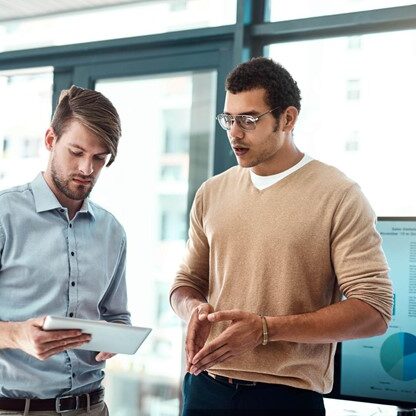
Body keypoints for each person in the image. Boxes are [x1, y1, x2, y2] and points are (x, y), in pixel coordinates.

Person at [169, 57, 393, 416]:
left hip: (286, 400)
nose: (234, 133)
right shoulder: (211, 193)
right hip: (204, 391)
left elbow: (374, 310)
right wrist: (193, 309)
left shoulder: (338, 195)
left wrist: (265, 330)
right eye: (229, 119)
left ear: (287, 119)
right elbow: (185, 283)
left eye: (248, 120)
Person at [0, 85, 130, 415]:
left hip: (92, 406)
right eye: (76, 152)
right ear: (50, 140)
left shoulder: (112, 231)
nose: (87, 168)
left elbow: (116, 316)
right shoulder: (5, 216)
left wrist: (117, 338)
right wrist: (16, 335)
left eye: (99, 158)